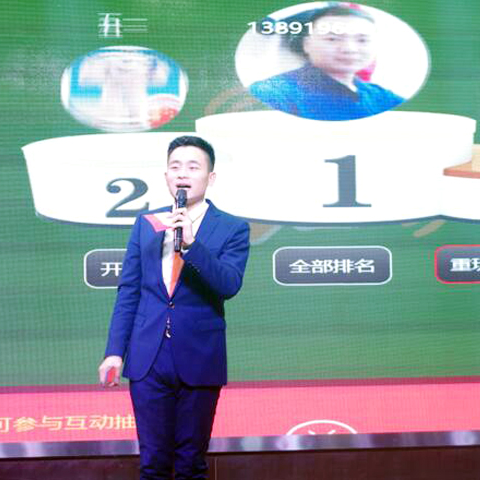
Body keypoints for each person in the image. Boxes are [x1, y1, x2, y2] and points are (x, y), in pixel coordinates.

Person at [98, 135, 250, 479]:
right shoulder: (147, 224)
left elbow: (229, 284)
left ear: (211, 177)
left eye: (193, 167)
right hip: (148, 358)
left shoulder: (232, 228)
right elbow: (129, 292)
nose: (182, 174)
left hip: (199, 356)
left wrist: (192, 244)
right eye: (175, 166)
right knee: (152, 463)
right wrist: (115, 352)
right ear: (166, 176)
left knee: (190, 464)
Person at [249, 5, 404, 121]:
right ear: (306, 44)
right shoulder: (272, 93)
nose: (350, 49)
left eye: (362, 40)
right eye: (332, 39)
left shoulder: (382, 97)